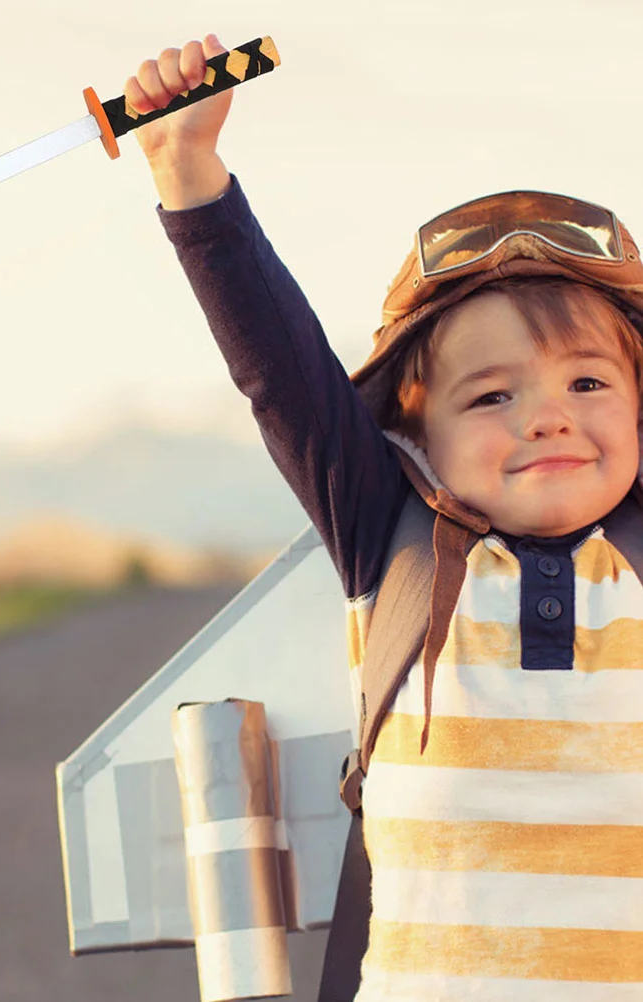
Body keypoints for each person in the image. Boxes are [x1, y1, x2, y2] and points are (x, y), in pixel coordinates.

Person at [125, 35, 643, 1000]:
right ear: (415, 434)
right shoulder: (391, 541)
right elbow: (276, 371)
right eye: (492, 396)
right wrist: (184, 166)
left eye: (588, 380)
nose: (548, 415)